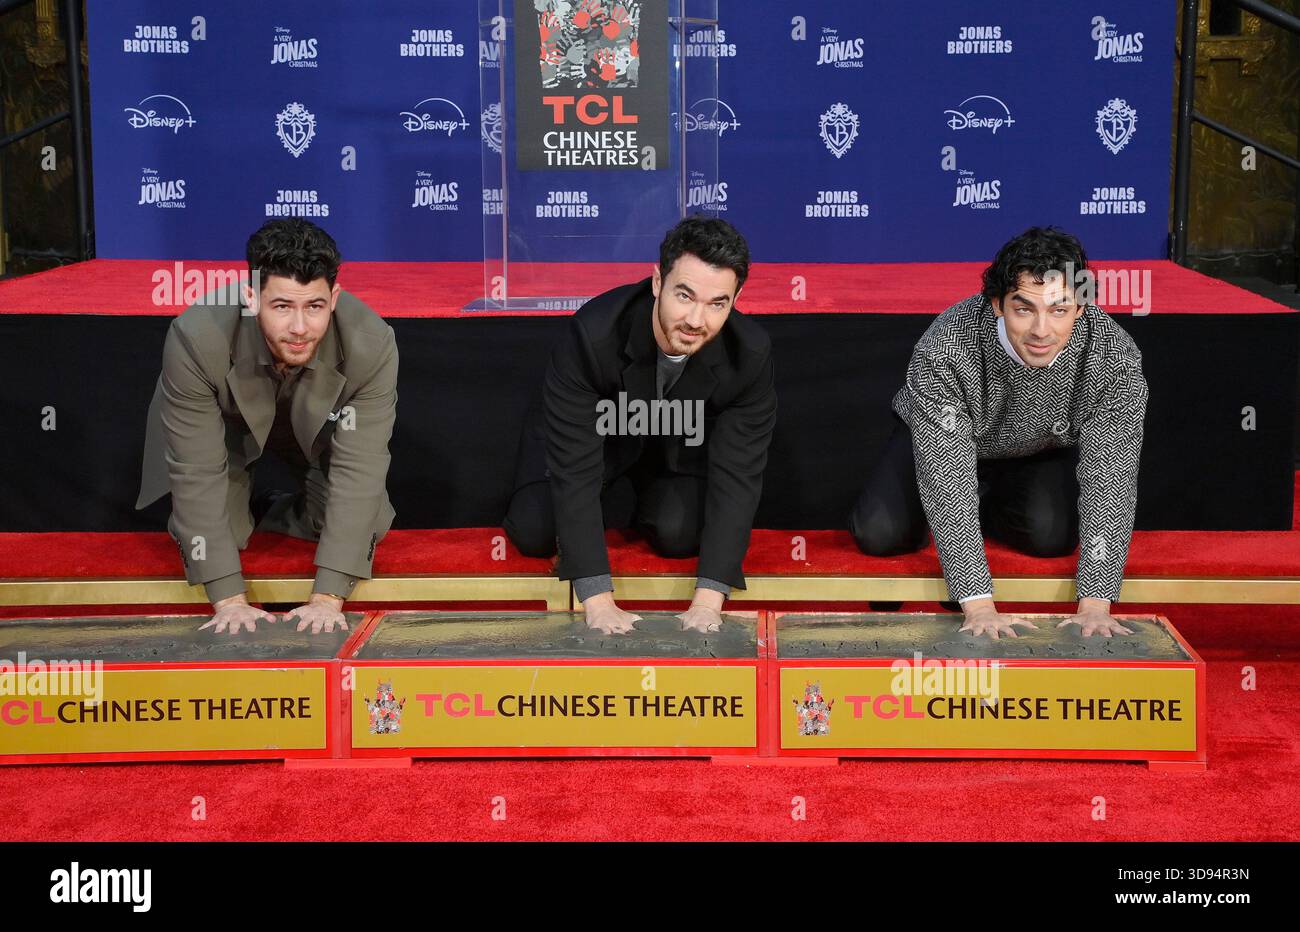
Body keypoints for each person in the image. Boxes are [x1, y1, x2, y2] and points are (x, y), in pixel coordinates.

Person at [848, 226, 1147, 639]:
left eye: (1059, 310)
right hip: (944, 443)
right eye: (1024, 310)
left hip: (1038, 448)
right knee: (880, 534)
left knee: (1052, 537)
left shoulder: (1113, 354)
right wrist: (977, 604)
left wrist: (1096, 603)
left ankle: (983, 508)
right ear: (997, 305)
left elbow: (1110, 475)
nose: (1042, 330)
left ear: (1080, 308)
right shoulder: (946, 345)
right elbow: (947, 472)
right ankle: (956, 523)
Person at [503, 216, 777, 635]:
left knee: (679, 534)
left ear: (736, 298)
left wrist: (709, 600)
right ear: (656, 283)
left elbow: (738, 476)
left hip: (674, 449)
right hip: (593, 439)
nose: (696, 319)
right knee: (536, 529)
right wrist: (596, 599)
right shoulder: (592, 337)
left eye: (717, 303)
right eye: (684, 296)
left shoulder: (750, 354)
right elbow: (574, 470)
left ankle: (637, 512)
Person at [136, 219, 398, 635]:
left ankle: (272, 506)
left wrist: (328, 598)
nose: (299, 327)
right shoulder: (196, 336)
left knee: (368, 521)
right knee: (225, 535)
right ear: (251, 298)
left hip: (317, 433)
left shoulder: (372, 343)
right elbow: (197, 470)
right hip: (227, 432)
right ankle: (239, 510)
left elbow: (360, 470)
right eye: (281, 307)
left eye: (314, 307)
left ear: (334, 298)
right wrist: (229, 600)